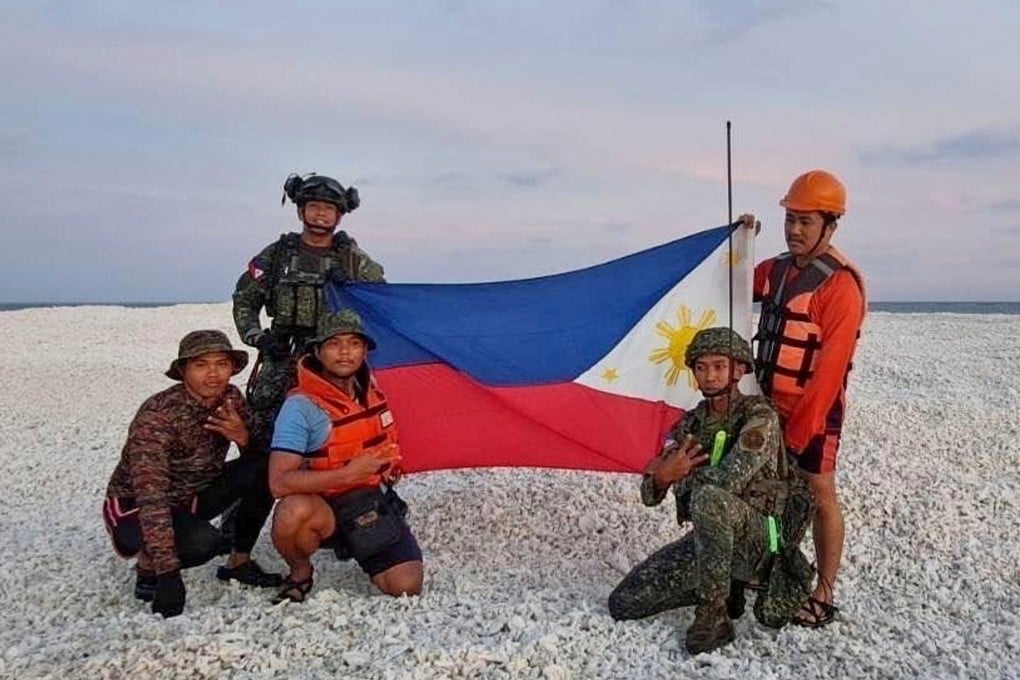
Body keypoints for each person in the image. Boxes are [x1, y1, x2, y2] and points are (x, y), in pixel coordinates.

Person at [608, 328, 814, 655]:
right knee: (625, 603)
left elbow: (729, 480)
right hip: (711, 541)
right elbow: (650, 494)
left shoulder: (760, 417)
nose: (710, 375)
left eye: (719, 366)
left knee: (708, 498)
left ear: (739, 370)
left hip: (758, 541)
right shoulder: (690, 424)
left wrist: (680, 472)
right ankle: (721, 585)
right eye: (701, 367)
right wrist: (663, 477)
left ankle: (713, 616)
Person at [744, 169, 866, 627]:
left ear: (830, 225)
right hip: (767, 403)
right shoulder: (775, 270)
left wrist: (798, 434)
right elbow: (733, 281)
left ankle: (824, 591)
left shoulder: (840, 287)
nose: (794, 230)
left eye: (806, 221)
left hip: (813, 410)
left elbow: (829, 375)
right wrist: (739, 241)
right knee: (765, 492)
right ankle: (765, 566)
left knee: (818, 493)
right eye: (790, 219)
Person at [103, 330, 282, 618]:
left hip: (194, 494)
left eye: (221, 364)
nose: (213, 374)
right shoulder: (158, 415)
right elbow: (152, 495)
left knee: (267, 467)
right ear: (183, 370)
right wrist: (168, 575)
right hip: (134, 506)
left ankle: (239, 562)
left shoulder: (231, 398)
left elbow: (263, 449)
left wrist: (244, 437)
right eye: (201, 365)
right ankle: (148, 563)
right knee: (203, 543)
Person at [267, 310, 423, 603]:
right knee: (291, 513)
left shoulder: (373, 391)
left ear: (364, 350)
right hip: (323, 507)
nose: (344, 352)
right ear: (317, 351)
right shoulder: (301, 407)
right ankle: (300, 571)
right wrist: (347, 474)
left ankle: (362, 544)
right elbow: (279, 483)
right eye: (334, 344)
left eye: (353, 343)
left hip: (369, 503)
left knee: (406, 587)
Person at [233, 173, 386, 456]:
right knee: (264, 426)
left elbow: (381, 300)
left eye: (329, 208)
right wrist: (258, 339)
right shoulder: (277, 255)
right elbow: (245, 301)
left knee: (338, 425)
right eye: (314, 206)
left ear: (339, 216)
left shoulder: (352, 259)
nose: (321, 214)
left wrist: (352, 283)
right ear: (301, 210)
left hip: (334, 360)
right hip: (282, 354)